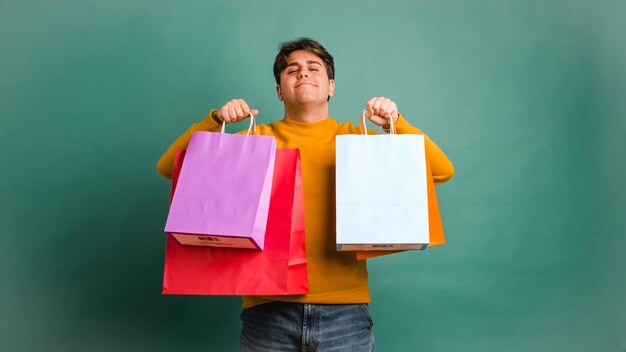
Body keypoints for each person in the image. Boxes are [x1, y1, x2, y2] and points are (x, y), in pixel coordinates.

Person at [157, 38, 454, 352]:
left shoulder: (357, 140)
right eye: (292, 70)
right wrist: (215, 120)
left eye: (314, 68)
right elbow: (169, 167)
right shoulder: (255, 141)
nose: (303, 73)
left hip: (345, 313)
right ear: (279, 90)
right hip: (268, 310)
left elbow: (441, 170)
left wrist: (397, 123)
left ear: (331, 86)